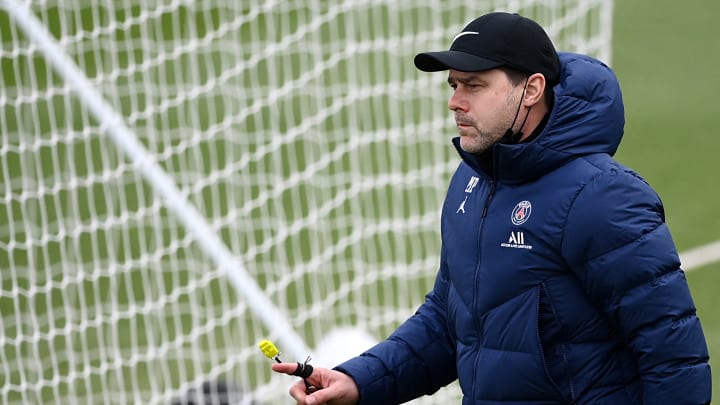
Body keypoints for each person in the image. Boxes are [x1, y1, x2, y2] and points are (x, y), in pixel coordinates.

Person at [271, 11, 712, 404]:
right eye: (454, 85)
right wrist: (359, 381)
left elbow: (674, 358)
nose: (455, 101)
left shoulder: (602, 197)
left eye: (475, 85)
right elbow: (447, 324)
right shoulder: (471, 184)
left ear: (532, 89)